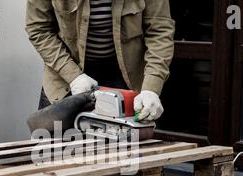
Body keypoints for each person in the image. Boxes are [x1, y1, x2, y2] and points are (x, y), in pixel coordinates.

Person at [26, 0, 175, 122]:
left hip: (124, 78)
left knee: (122, 155)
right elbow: (38, 29)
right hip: (65, 77)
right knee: (54, 153)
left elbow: (159, 32)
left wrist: (151, 88)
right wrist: (73, 75)